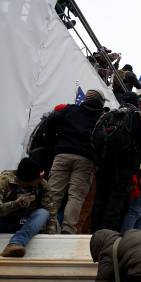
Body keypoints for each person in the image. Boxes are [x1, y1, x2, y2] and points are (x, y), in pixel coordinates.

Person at [91, 92, 141, 232]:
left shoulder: (108, 115)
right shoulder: (138, 117)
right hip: (125, 167)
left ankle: (93, 233)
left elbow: (94, 138)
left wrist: (97, 161)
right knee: (116, 202)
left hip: (103, 165)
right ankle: (107, 236)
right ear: (136, 103)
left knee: (100, 199)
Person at [45, 90, 105, 234]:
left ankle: (48, 226)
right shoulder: (101, 118)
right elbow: (102, 141)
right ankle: (68, 229)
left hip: (62, 155)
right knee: (76, 196)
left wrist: (54, 142)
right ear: (100, 102)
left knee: (53, 193)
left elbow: (49, 122)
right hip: (85, 160)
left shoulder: (70, 109)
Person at [0, 158, 51, 257]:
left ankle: (16, 243)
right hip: (5, 221)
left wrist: (50, 235)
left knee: (43, 213)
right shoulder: (4, 181)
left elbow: (50, 209)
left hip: (26, 224)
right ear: (27, 180)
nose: (41, 181)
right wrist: (16, 204)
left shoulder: (42, 184)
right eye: (37, 179)